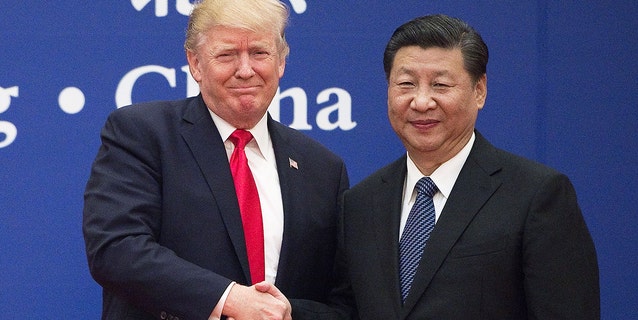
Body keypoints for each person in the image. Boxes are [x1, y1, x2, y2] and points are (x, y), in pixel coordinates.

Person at [82, 0, 349, 319]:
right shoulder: (143, 133)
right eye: (227, 54)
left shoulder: (323, 168)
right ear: (195, 63)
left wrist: (285, 312)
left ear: (281, 62)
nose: (246, 70)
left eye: (260, 53)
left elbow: (342, 302)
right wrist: (230, 299)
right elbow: (116, 250)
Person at [328, 14, 600, 319]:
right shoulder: (360, 204)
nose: (421, 101)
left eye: (440, 85)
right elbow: (347, 312)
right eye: (406, 84)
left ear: (479, 91)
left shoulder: (536, 196)